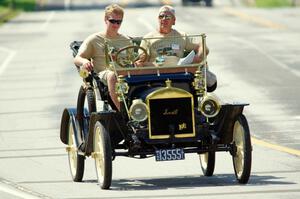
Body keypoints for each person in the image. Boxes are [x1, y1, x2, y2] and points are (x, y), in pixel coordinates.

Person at [135, 5, 216, 90]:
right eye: (161, 16)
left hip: (179, 73)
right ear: (158, 19)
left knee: (205, 78)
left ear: (173, 21)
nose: (164, 19)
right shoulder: (148, 38)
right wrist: (142, 60)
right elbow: (141, 60)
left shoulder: (181, 36)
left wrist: (199, 56)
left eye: (167, 17)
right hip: (157, 73)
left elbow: (202, 46)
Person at [74, 4, 131, 110]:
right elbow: (77, 58)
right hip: (105, 74)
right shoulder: (94, 39)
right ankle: (124, 112)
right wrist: (84, 62)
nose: (116, 25)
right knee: (112, 75)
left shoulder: (126, 40)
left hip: (124, 72)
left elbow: (133, 60)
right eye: (112, 21)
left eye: (119, 22)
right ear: (105, 19)